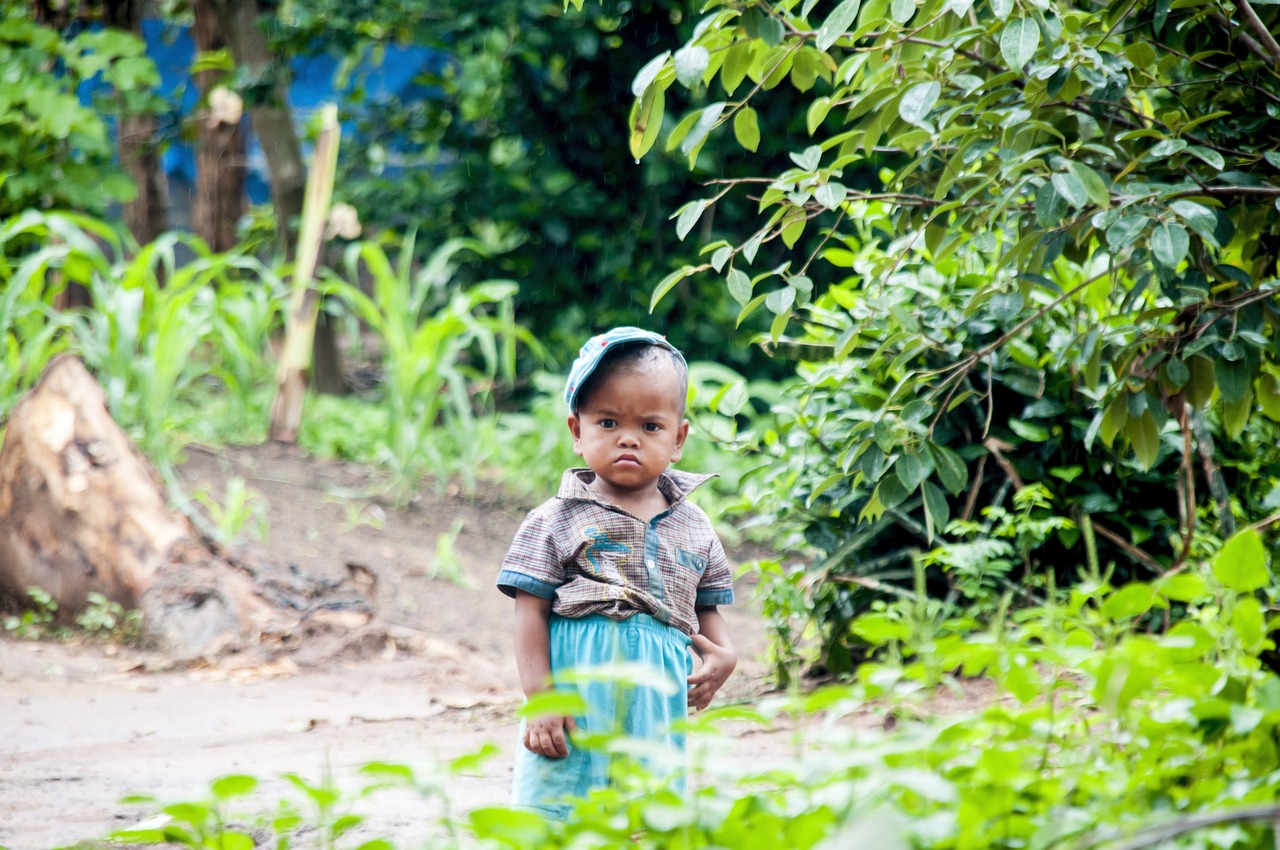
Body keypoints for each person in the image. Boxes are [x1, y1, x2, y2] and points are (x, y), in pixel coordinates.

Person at [496, 326, 738, 820]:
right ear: (576, 431)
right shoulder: (555, 518)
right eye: (607, 422)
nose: (628, 437)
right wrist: (541, 697)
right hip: (578, 694)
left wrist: (725, 659)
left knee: (647, 813)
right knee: (555, 809)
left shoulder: (695, 526)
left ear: (678, 438)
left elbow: (707, 613)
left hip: (656, 702)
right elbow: (530, 611)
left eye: (651, 426)